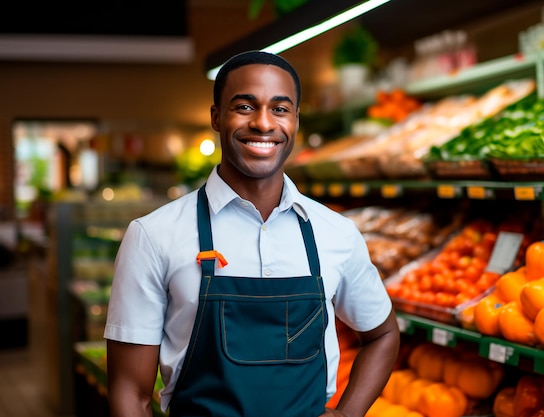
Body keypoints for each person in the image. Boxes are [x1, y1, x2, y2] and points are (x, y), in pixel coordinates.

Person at [104, 50, 400, 417]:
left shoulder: (335, 233)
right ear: (216, 117)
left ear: (295, 121)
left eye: (280, 109)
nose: (263, 123)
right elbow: (129, 394)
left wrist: (348, 412)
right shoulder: (153, 236)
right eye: (244, 107)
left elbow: (383, 334)